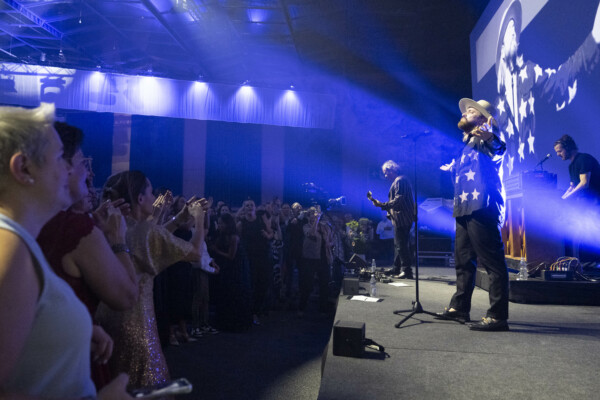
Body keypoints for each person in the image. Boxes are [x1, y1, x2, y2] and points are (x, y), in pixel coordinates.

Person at [0, 103, 131, 399]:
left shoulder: (19, 240)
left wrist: (70, 332)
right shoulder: (8, 248)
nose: (72, 170)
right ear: (23, 168)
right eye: (61, 158)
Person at [37, 122, 139, 389]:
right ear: (59, 166)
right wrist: (117, 240)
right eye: (82, 162)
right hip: (65, 366)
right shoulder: (75, 229)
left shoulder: (34, 221)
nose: (89, 172)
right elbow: (126, 296)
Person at [97, 170, 207, 389]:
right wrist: (199, 217)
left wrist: (178, 218)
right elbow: (195, 252)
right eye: (150, 191)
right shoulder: (145, 231)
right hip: (137, 323)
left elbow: (152, 237)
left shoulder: (115, 226)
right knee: (147, 383)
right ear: (140, 198)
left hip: (106, 320)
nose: (153, 196)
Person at [493, 0, 600, 177]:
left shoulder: (529, 73)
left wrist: (594, 39)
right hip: (510, 175)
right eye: (509, 36)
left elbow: (561, 80)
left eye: (515, 36)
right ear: (502, 47)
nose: (514, 41)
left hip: (531, 175)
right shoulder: (499, 101)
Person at [438, 98, 509, 332]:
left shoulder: (486, 136)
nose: (466, 113)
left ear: (481, 117)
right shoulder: (467, 142)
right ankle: (459, 307)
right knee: (462, 260)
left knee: (492, 262)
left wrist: (489, 135)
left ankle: (497, 316)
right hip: (464, 207)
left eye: (471, 111)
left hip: (482, 206)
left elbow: (498, 150)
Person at [554, 134, 600, 262]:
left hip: (595, 203)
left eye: (560, 151)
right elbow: (572, 187)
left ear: (569, 148)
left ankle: (594, 263)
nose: (558, 154)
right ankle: (586, 263)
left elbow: (584, 183)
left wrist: (566, 198)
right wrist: (561, 198)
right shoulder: (571, 166)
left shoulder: (584, 159)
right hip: (584, 205)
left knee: (590, 233)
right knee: (583, 234)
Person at [368, 160, 415, 279]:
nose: (385, 175)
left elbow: (400, 199)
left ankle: (407, 270)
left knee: (401, 244)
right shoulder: (400, 180)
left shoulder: (400, 180)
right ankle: (396, 268)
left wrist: (383, 205)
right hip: (400, 217)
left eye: (386, 172)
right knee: (398, 244)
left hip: (403, 217)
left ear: (391, 170)